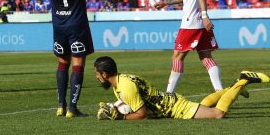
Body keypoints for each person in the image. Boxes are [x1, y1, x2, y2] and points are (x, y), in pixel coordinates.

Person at [94, 56, 270, 120]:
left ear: (104, 74)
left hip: (175, 108)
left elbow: (141, 115)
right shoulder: (123, 80)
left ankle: (243, 80)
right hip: (171, 101)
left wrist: (120, 117)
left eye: (97, 74)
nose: (96, 77)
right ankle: (234, 88)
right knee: (204, 105)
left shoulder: (125, 87)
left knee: (218, 114)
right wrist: (114, 107)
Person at [42, 0, 104, 118]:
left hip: (58, 24)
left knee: (62, 63)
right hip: (76, 23)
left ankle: (60, 106)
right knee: (78, 64)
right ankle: (72, 108)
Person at [154, 0, 222, 94]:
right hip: (199, 22)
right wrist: (168, 2)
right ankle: (219, 91)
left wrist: (205, 15)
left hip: (191, 22)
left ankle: (169, 95)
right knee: (205, 56)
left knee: (177, 56)